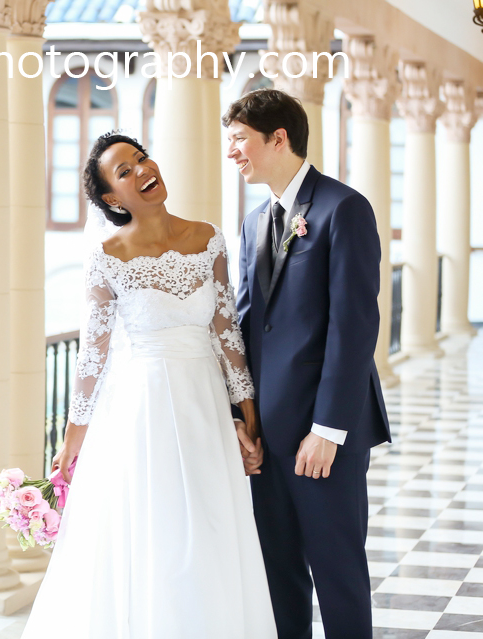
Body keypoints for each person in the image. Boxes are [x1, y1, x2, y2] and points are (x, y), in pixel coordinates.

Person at [20, 132, 277, 639]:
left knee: (209, 526)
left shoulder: (208, 238)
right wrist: (74, 438)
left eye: (140, 158)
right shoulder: (107, 255)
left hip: (203, 404)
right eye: (124, 171)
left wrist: (248, 414)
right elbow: (91, 354)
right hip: (142, 410)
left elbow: (226, 330)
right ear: (113, 199)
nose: (141, 170)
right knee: (153, 529)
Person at [224, 88, 391, 639]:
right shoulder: (252, 222)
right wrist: (241, 421)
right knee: (277, 575)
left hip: (325, 435)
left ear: (279, 138)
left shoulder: (345, 208)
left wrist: (328, 429)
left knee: (337, 573)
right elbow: (249, 326)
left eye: (240, 140)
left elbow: (354, 327)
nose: (233, 153)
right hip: (267, 436)